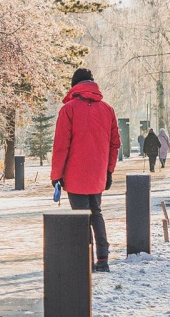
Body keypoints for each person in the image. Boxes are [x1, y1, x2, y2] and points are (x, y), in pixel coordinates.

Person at [51, 68, 121, 273]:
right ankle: (103, 259)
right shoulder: (107, 110)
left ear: (75, 86)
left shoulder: (68, 110)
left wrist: (56, 175)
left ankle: (86, 261)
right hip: (98, 174)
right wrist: (108, 171)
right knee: (96, 213)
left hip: (75, 176)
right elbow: (114, 144)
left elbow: (61, 145)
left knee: (81, 217)